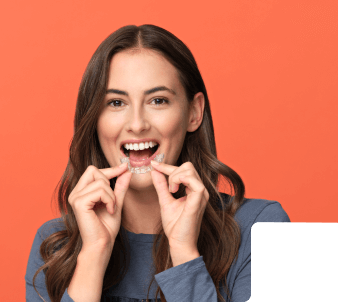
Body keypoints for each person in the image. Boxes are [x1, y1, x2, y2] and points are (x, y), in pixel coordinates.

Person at [25, 24, 290, 302]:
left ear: (194, 112)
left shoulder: (259, 226)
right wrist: (93, 254)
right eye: (116, 103)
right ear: (95, 120)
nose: (137, 125)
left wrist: (184, 252)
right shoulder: (56, 246)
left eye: (158, 100)